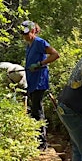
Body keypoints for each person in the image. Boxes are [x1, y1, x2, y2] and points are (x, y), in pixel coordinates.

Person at [21, 20, 60, 151]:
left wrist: (40, 64)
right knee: (34, 110)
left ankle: (42, 143)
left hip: (39, 82)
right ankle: (37, 140)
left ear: (33, 31)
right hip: (32, 82)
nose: (25, 36)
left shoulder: (39, 42)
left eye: (27, 33)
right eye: (23, 34)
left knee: (37, 111)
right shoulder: (29, 45)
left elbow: (55, 55)